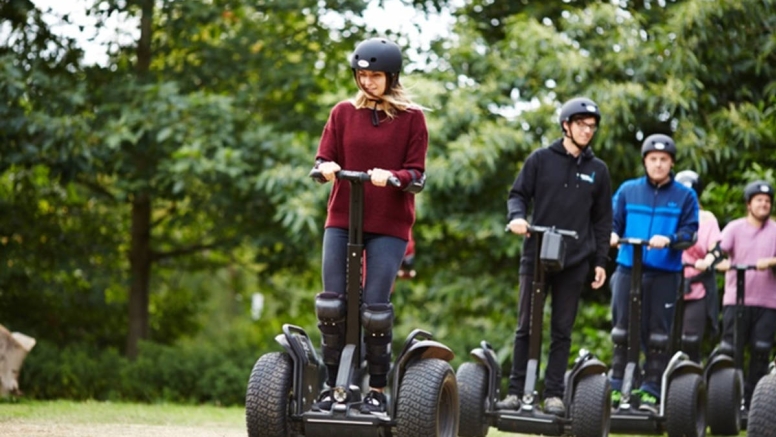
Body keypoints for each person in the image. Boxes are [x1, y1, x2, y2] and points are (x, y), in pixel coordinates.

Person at [309, 37, 428, 415]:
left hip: (389, 225)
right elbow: (323, 157)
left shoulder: (412, 118)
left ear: (391, 77)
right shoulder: (342, 113)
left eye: (375, 75)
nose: (367, 82)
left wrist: (392, 176)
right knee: (332, 305)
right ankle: (334, 387)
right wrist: (326, 167)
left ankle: (376, 389)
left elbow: (417, 174)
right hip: (343, 219)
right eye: (362, 75)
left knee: (375, 310)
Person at [497, 97, 613, 416]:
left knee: (562, 329)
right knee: (526, 326)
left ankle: (553, 394)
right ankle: (517, 391)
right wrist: (518, 217)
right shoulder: (540, 159)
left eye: (592, 126)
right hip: (535, 255)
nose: (587, 131)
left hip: (575, 260)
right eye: (581, 125)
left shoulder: (598, 170)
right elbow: (518, 195)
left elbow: (603, 221)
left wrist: (600, 262)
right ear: (566, 125)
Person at [608, 133, 699, 414]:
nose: (658, 164)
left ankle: (650, 390)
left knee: (658, 335)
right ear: (645, 162)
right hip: (628, 269)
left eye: (663, 160)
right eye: (653, 159)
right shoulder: (627, 190)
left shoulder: (685, 196)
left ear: (671, 163)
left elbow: (690, 232)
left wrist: (670, 239)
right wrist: (611, 234)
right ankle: (617, 386)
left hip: (664, 273)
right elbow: (612, 220)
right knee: (622, 329)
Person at [715, 180, 776, 411]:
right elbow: (717, 252)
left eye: (768, 201)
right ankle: (727, 402)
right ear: (749, 204)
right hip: (736, 300)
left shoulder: (775, 230)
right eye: (759, 200)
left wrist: (770, 261)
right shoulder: (735, 228)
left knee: (761, 351)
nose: (764, 204)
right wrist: (722, 263)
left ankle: (754, 404)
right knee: (731, 350)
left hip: (767, 302)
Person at [676, 170, 723, 363]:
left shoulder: (706, 219)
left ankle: (691, 375)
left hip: (697, 286)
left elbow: (716, 249)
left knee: (691, 339)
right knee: (662, 338)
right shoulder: (670, 215)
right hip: (670, 283)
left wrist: (708, 261)